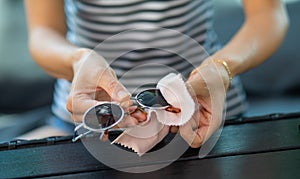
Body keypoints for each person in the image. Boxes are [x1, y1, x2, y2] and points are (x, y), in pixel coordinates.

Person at [24, 0, 288, 148]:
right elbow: (43, 32)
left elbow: (268, 15)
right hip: (88, 121)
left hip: (209, 119)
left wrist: (221, 69)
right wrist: (77, 61)